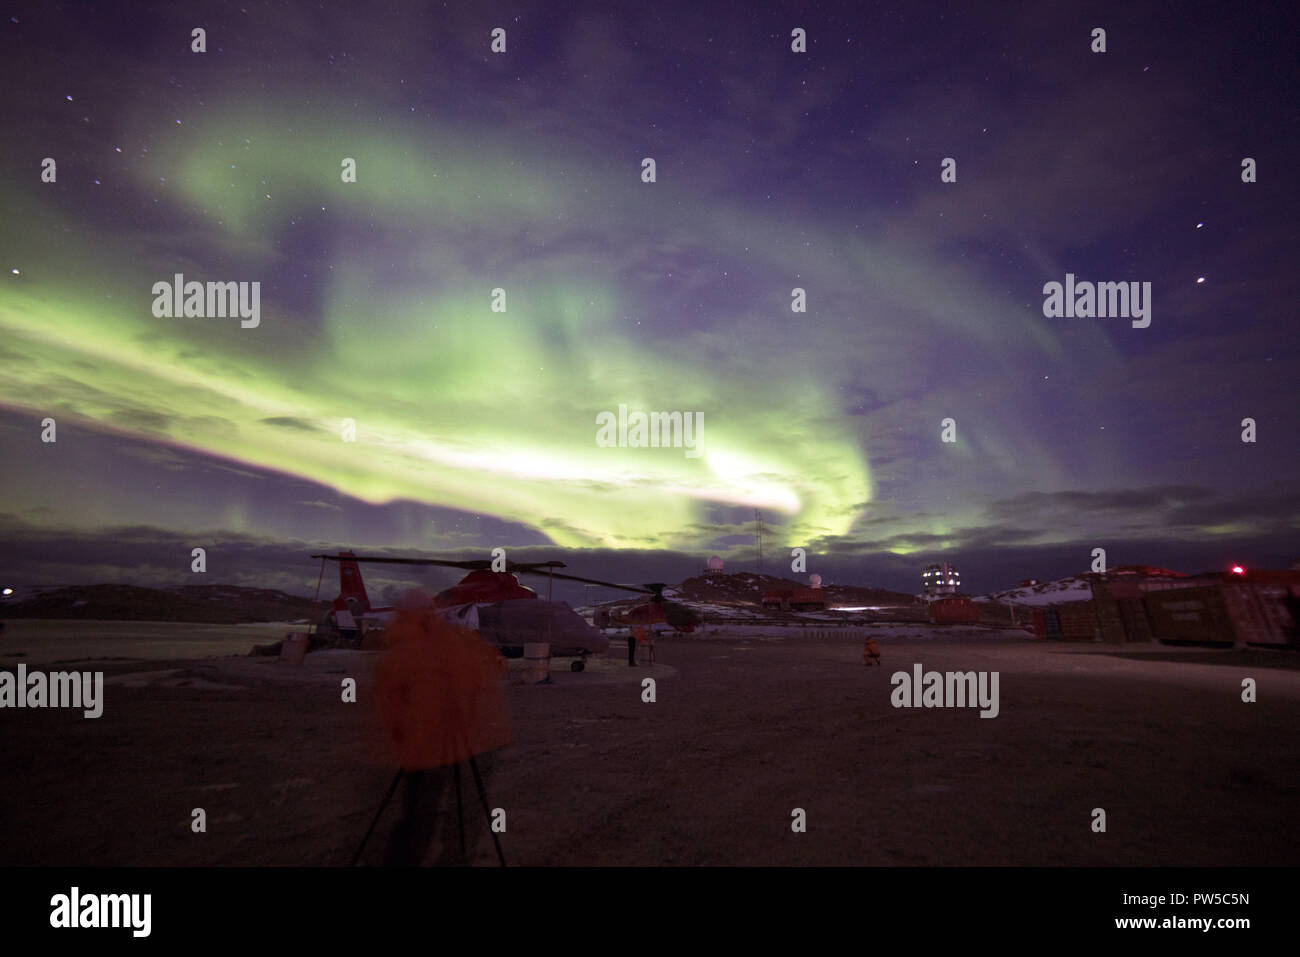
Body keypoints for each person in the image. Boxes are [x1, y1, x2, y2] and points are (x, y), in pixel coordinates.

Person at [375, 590, 511, 866]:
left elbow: (390, 706)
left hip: (435, 743)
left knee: (421, 812)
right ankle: (445, 857)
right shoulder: (445, 643)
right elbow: (493, 669)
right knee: (446, 812)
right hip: (452, 742)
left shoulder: (406, 648)